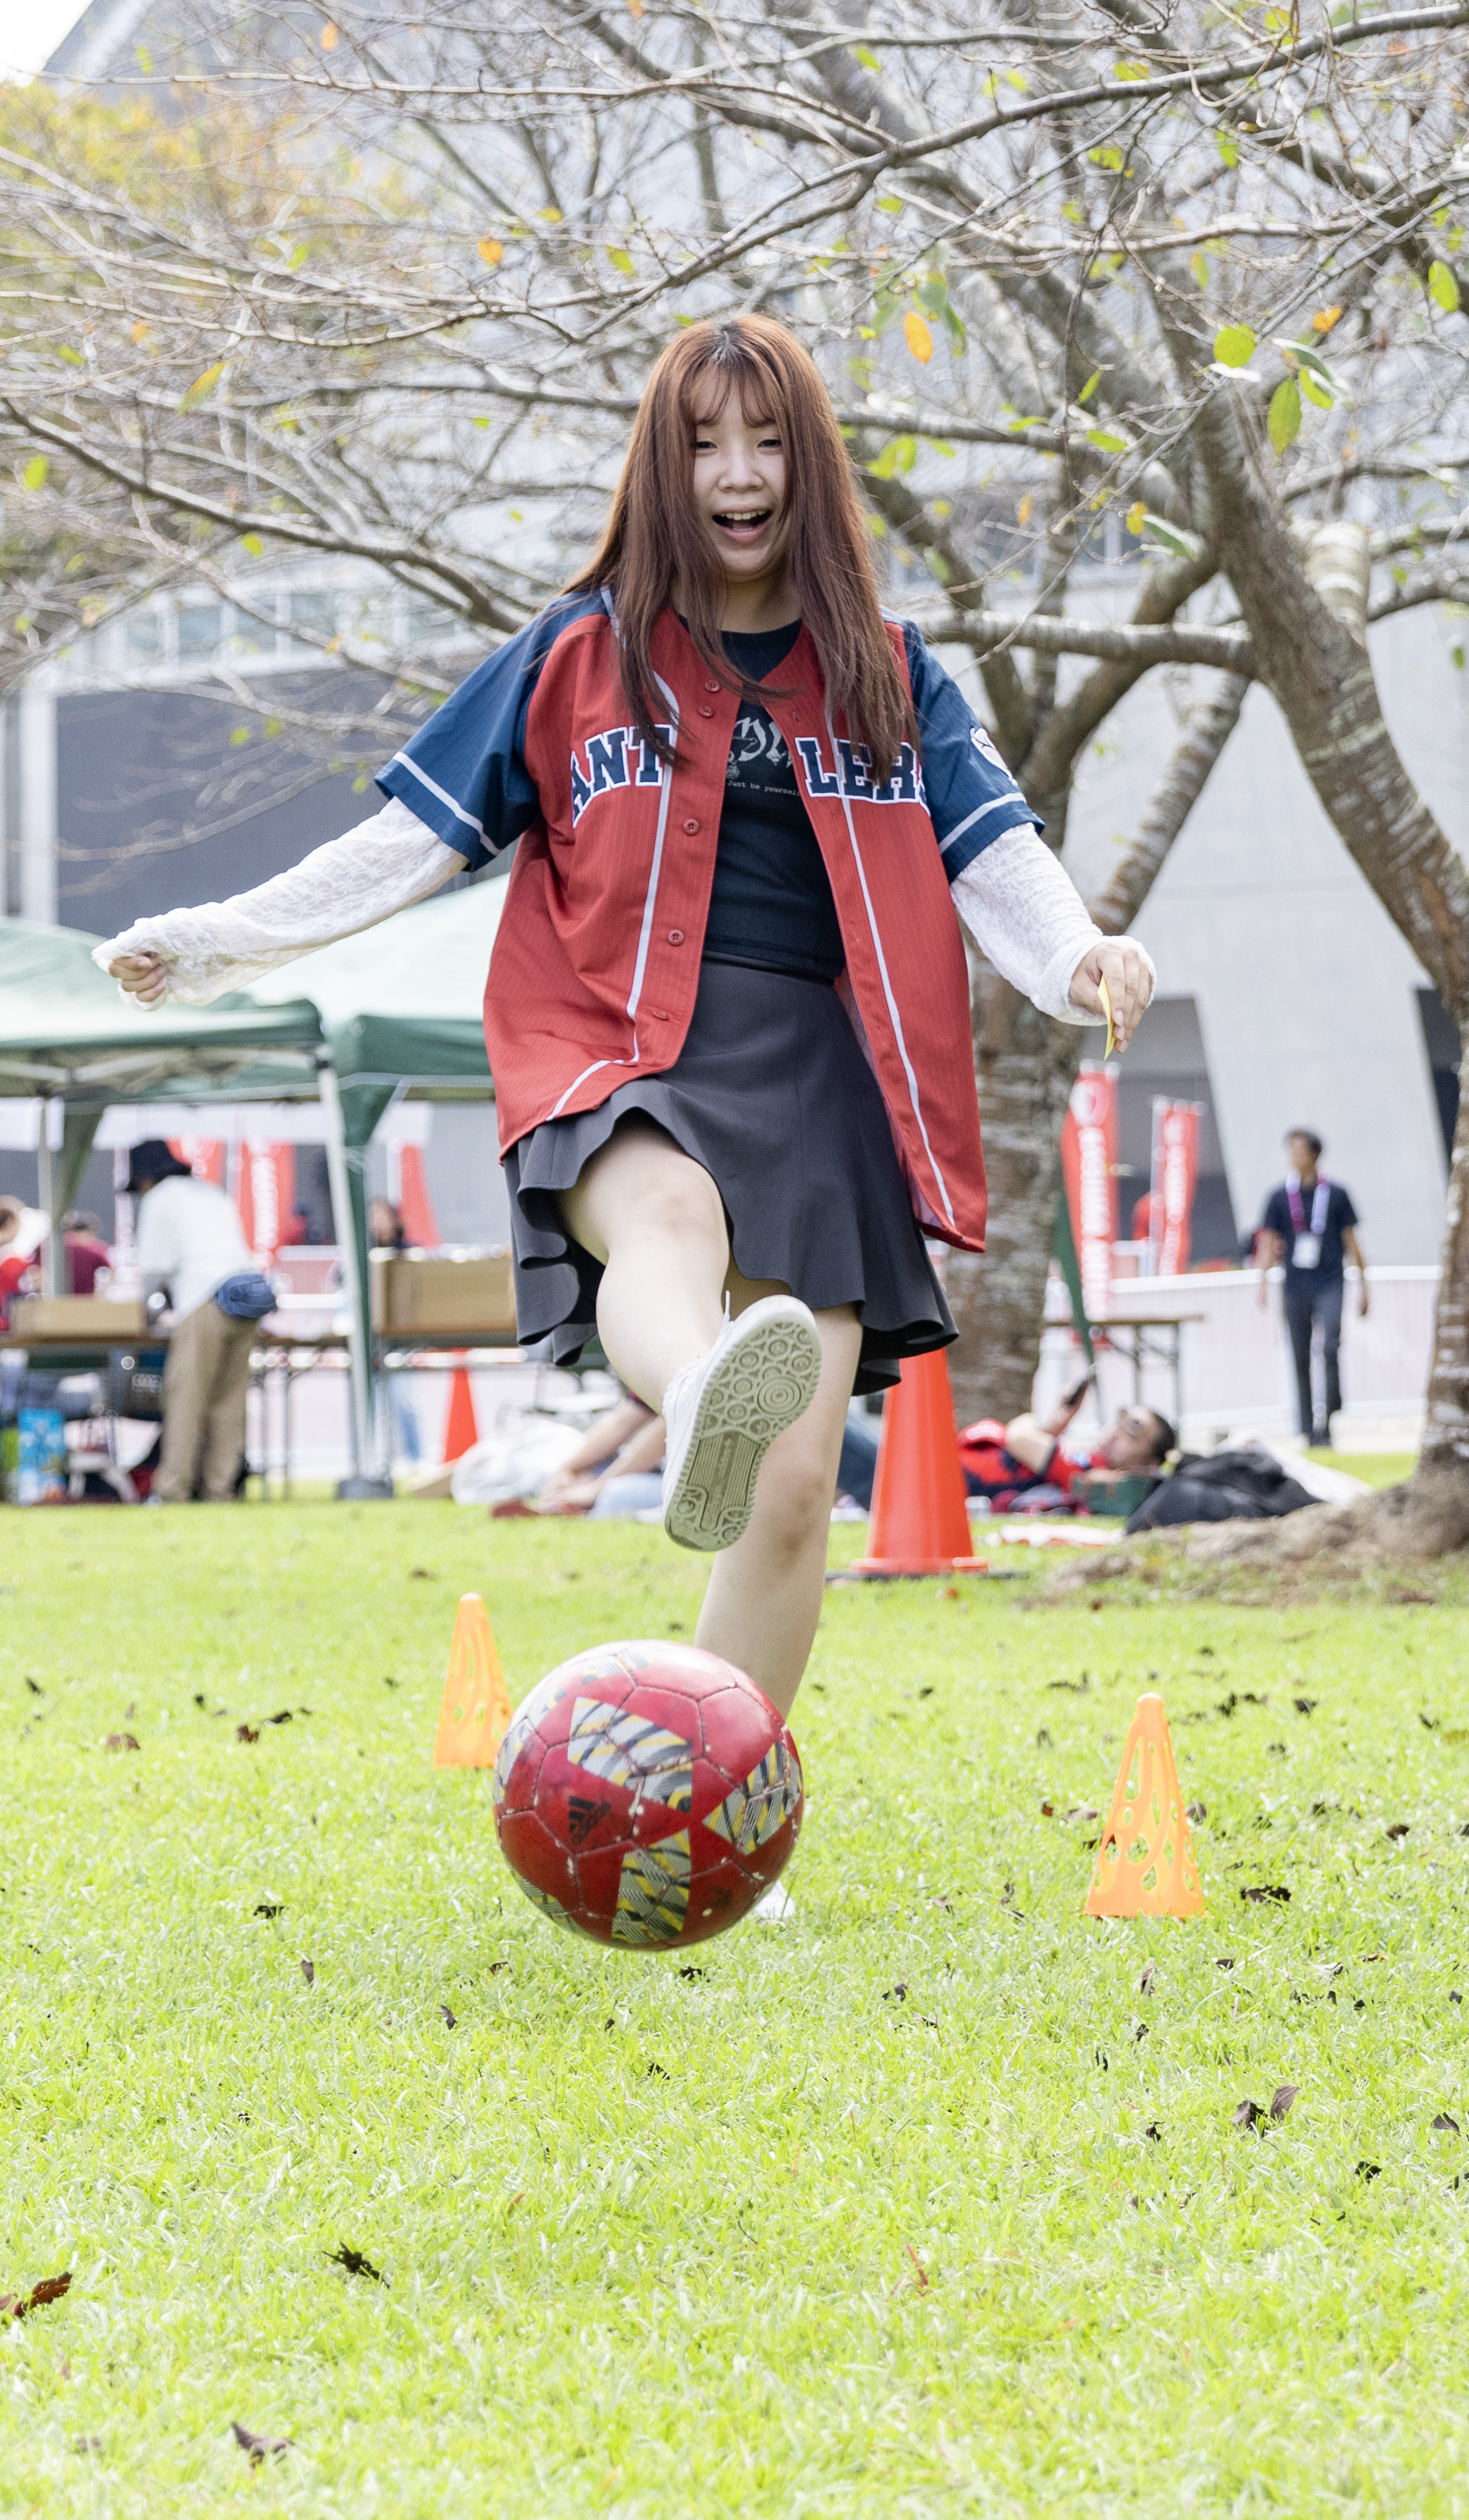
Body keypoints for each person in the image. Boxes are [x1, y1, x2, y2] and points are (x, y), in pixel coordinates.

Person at [100, 310, 1150, 1731]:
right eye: (706, 441)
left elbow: (991, 849)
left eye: (768, 441)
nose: (738, 471)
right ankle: (711, 1382)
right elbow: (410, 842)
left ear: (810, 468)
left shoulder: (888, 669)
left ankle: (695, 1812)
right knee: (665, 1232)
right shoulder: (573, 657)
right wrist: (222, 936)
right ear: (663, 466)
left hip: (820, 1083)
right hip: (619, 1047)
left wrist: (1087, 957)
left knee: (789, 1500)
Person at [123, 1136, 261, 1503]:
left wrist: (139, 1312)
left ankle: (173, 1489)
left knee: (185, 1397)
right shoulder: (211, 1193)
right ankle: (220, 1488)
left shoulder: (159, 1198)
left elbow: (155, 1269)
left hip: (204, 1297)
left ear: (145, 1179)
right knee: (229, 1401)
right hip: (245, 1296)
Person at [1249, 1131, 1367, 1449]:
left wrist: (1364, 1284)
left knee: (1329, 1346)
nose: (1295, 1157)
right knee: (1300, 1354)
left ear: (1314, 1154)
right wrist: (1261, 1281)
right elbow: (1268, 1241)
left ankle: (1327, 1418)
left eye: (1300, 1151)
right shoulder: (1279, 1197)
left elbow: (1351, 1240)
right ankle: (1306, 1427)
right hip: (1294, 1285)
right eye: (1291, 1151)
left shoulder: (1337, 1194)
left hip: (1330, 1280)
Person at [960, 1397, 1173, 1509]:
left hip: (951, 1479)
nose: (1116, 1431)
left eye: (1133, 1430)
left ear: (1148, 1466)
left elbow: (1019, 1435)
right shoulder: (1086, 1462)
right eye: (1120, 1420)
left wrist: (1050, 1426)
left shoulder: (1087, 1473)